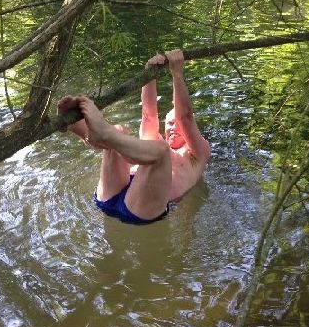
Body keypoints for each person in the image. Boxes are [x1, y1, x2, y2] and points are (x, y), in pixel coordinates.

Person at [57, 49, 211, 224]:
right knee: (121, 131)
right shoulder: (154, 140)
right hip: (111, 195)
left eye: (176, 124)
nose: (174, 126)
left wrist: (177, 74)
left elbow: (186, 118)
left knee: (160, 151)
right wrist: (149, 74)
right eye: (169, 123)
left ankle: (95, 133)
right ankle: (88, 132)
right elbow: (148, 115)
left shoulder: (198, 154)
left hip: (141, 208)